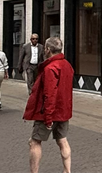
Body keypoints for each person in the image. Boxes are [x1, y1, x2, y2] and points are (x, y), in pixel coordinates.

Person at [25, 36, 73, 173]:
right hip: (64, 111)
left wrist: (48, 117)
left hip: (48, 111)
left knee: (34, 142)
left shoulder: (50, 68)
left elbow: (50, 94)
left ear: (47, 49)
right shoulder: (67, 65)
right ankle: (67, 170)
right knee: (62, 140)